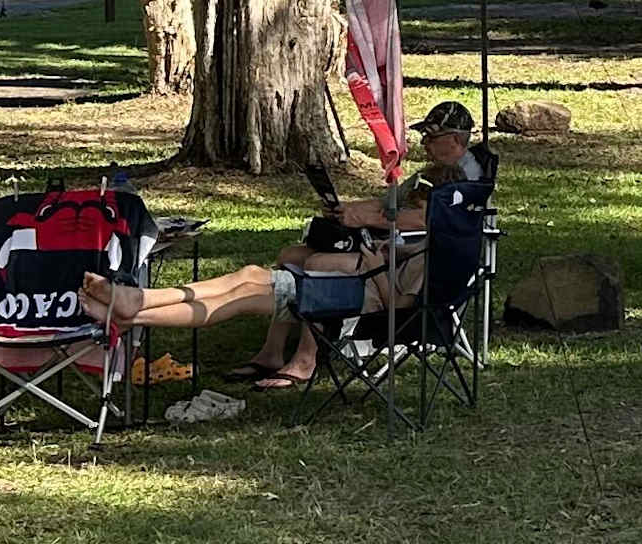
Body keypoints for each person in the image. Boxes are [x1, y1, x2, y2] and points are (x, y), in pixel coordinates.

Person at [86, 100, 496, 391]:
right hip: (356, 281)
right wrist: (383, 245)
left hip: (354, 292)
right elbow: (407, 234)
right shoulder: (443, 232)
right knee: (248, 276)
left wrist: (376, 257)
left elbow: (401, 307)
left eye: (433, 138)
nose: (424, 145)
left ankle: (135, 311)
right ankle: (136, 302)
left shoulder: (443, 234)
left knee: (245, 293)